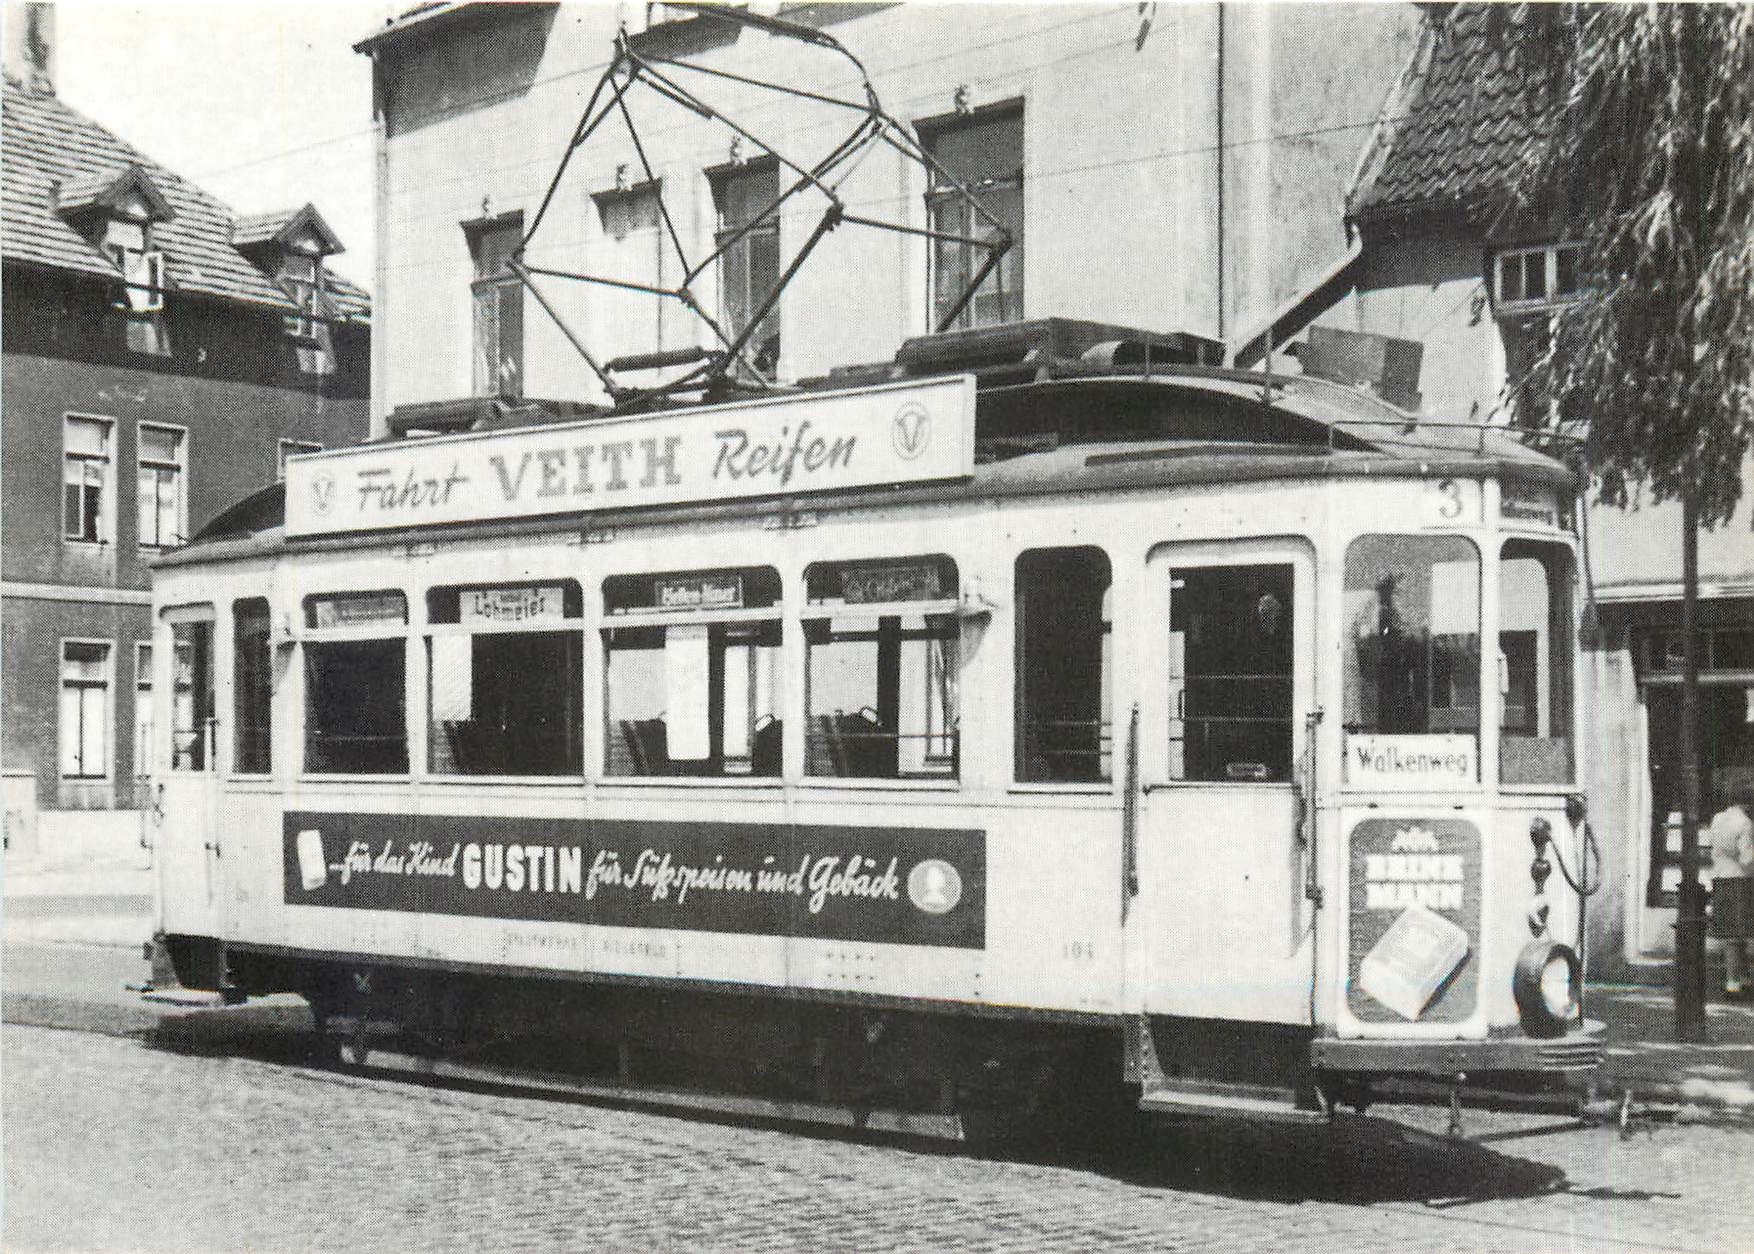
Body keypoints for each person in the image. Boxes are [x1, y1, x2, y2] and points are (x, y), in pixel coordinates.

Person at [1709, 785, 1754, 996]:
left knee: (1730, 933)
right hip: (1740, 881)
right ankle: (1734, 982)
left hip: (1720, 877)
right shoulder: (1745, 823)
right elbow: (1746, 858)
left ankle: (1739, 978)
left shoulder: (1717, 819)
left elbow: (1714, 848)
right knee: (1738, 934)